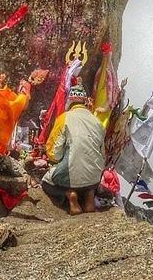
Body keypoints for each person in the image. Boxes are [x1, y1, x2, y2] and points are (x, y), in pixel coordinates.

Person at [41, 82, 106, 215]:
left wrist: (54, 160)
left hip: (72, 174)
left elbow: (54, 152)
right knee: (87, 179)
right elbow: (102, 152)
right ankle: (89, 196)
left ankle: (70, 195)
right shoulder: (97, 121)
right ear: (85, 102)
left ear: (69, 102)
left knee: (46, 183)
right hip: (94, 176)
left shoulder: (64, 118)